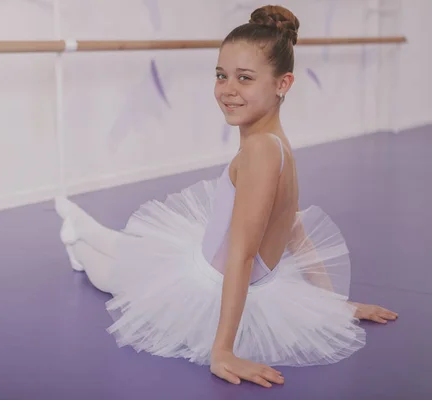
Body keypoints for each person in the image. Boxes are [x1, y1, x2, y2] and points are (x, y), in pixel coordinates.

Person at [54, 4, 398, 388]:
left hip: (211, 286)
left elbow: (243, 253)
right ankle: (83, 226)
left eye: (245, 78)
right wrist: (335, 305)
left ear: (282, 84)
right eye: (221, 75)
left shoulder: (260, 151)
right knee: (132, 253)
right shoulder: (276, 143)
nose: (228, 89)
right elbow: (294, 229)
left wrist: (223, 349)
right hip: (217, 264)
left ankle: (77, 241)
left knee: (116, 278)